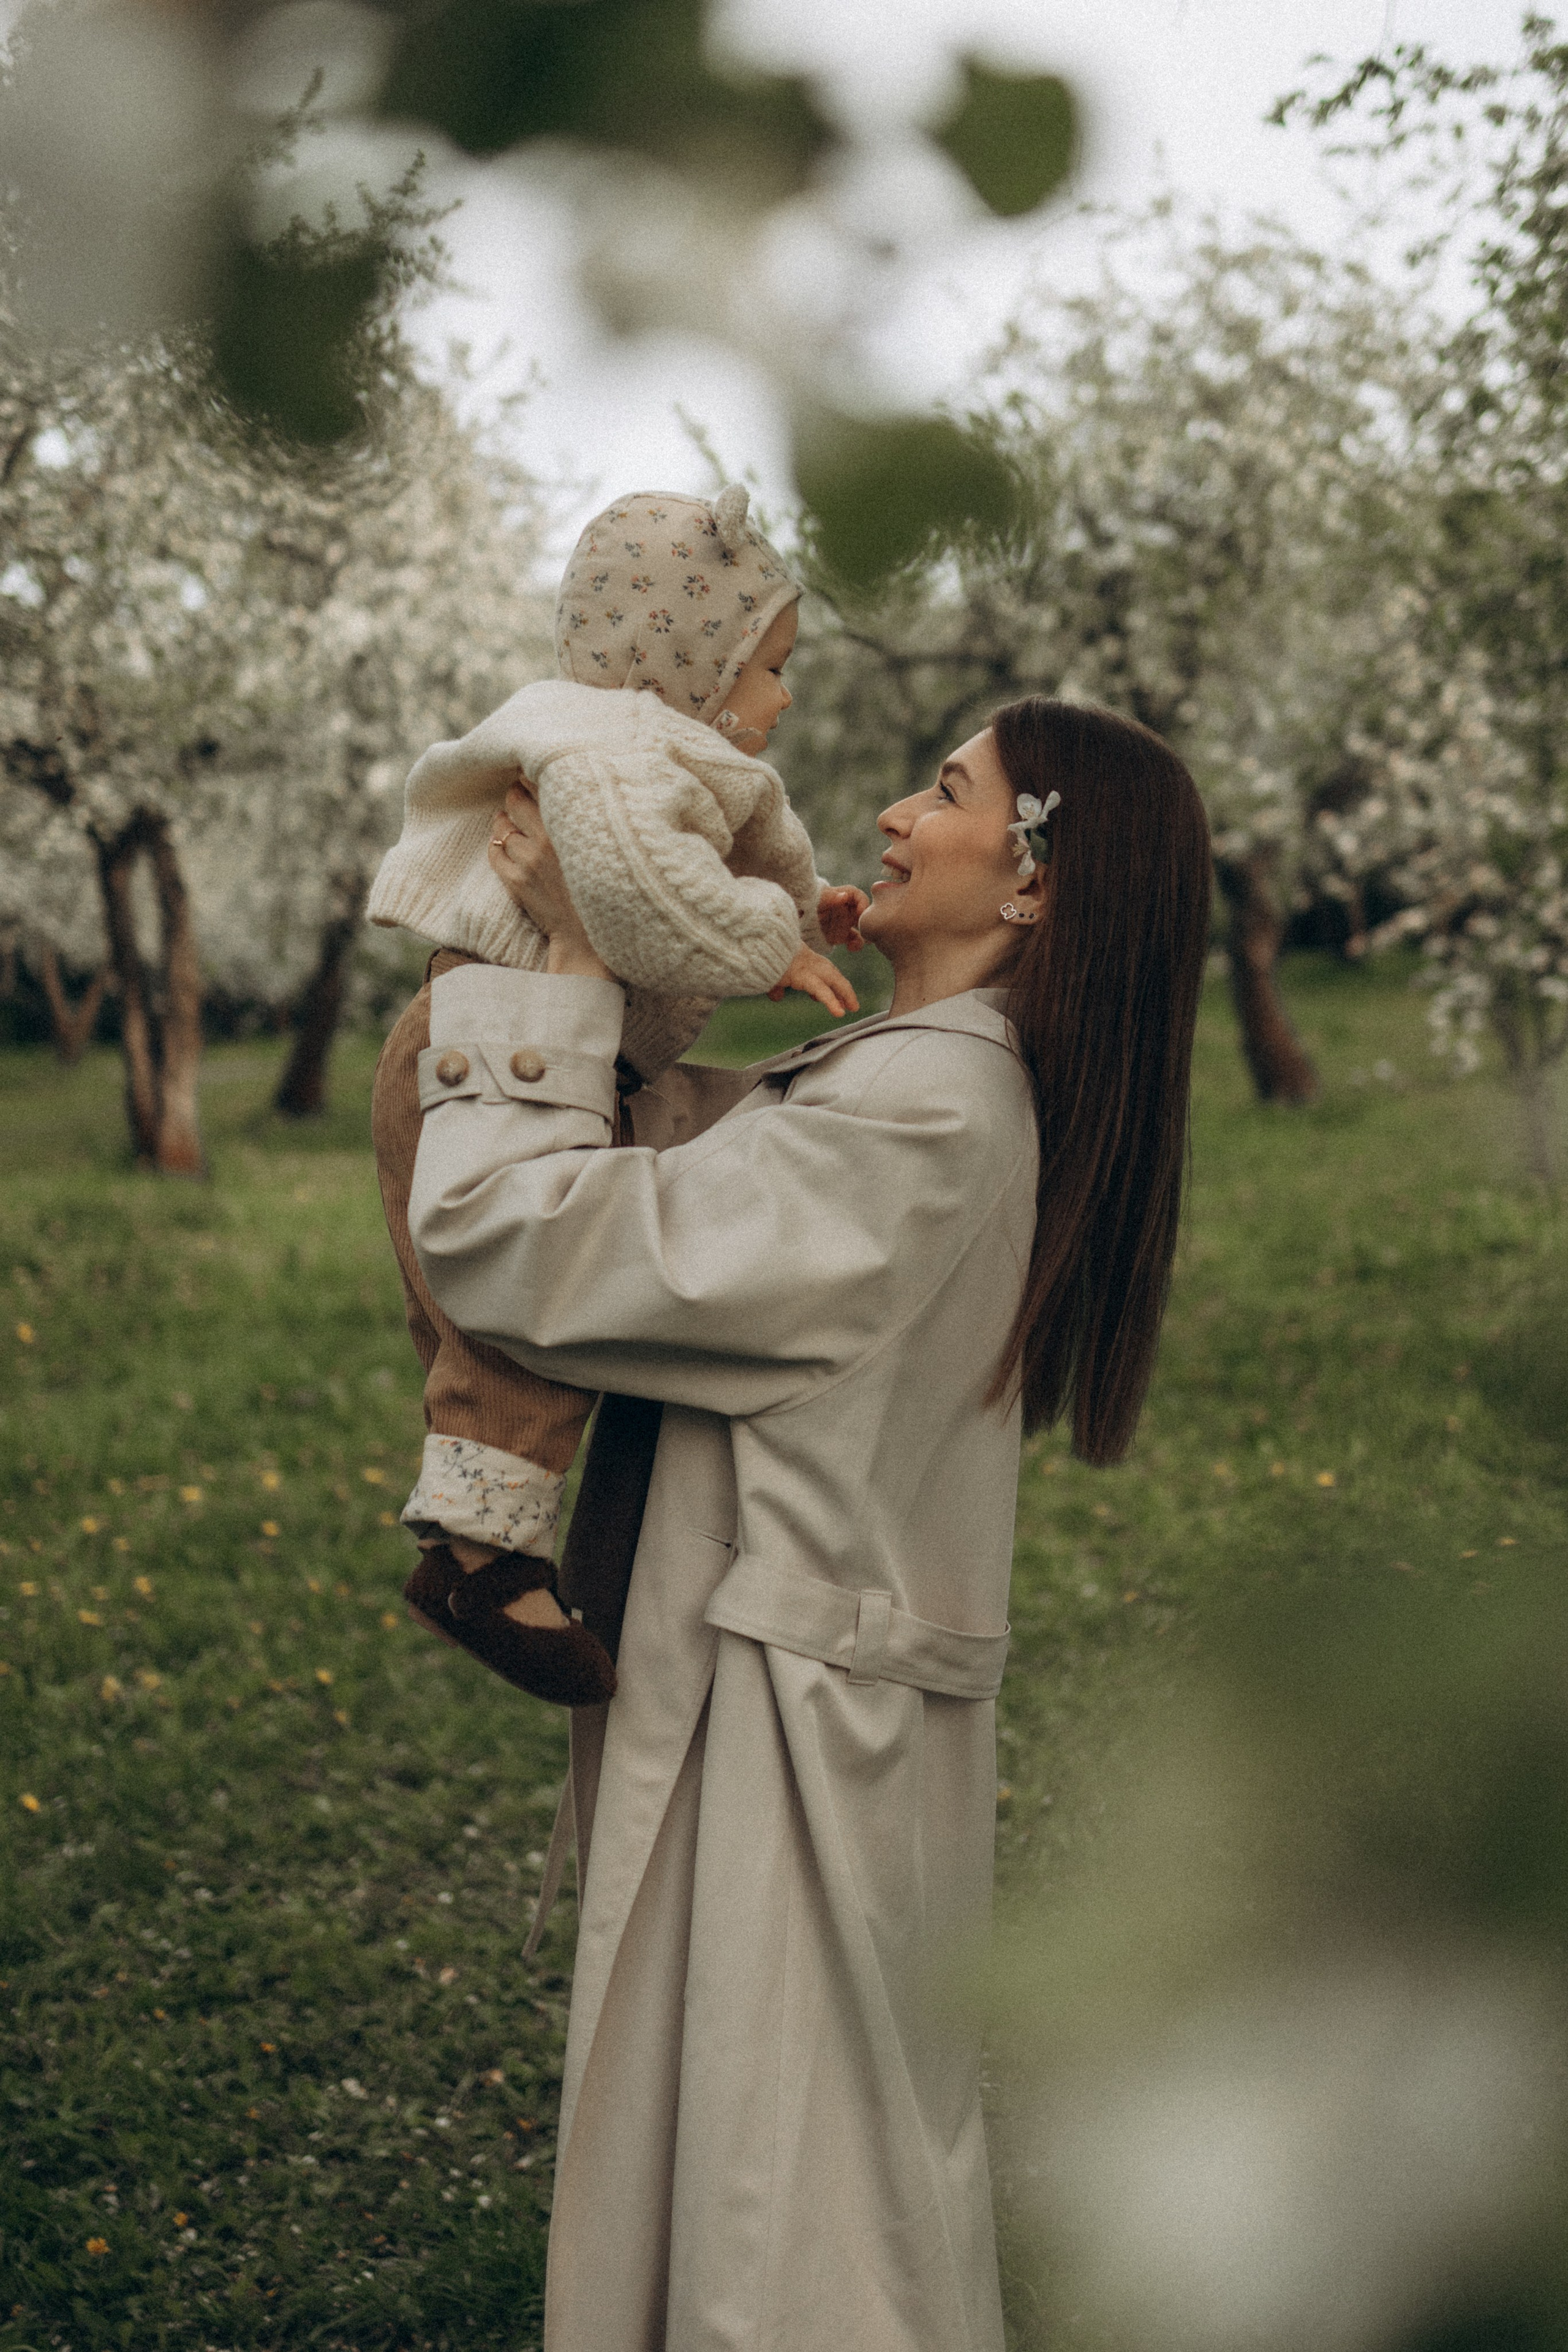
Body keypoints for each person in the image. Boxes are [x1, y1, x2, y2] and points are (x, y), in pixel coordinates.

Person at [406, 696, 1212, 2351]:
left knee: (784, 2234)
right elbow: (668, 1152)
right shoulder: (897, 1086)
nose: (900, 816)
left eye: (948, 789)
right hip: (790, 1697)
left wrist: (566, 943)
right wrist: (638, 937)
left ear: (1037, 881)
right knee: (781, 2193)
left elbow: (511, 1238)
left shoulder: (925, 1123)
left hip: (788, 1736)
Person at [365, 484, 868, 1705]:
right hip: (495, 1053)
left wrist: (808, 909)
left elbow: (679, 878)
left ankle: (473, 1536)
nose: (780, 700)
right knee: (516, 1325)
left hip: (495, 1051)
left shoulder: (629, 747)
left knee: (480, 1327)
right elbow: (646, 895)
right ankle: (481, 1561)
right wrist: (765, 942)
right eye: (767, 669)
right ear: (681, 660)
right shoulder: (621, 752)